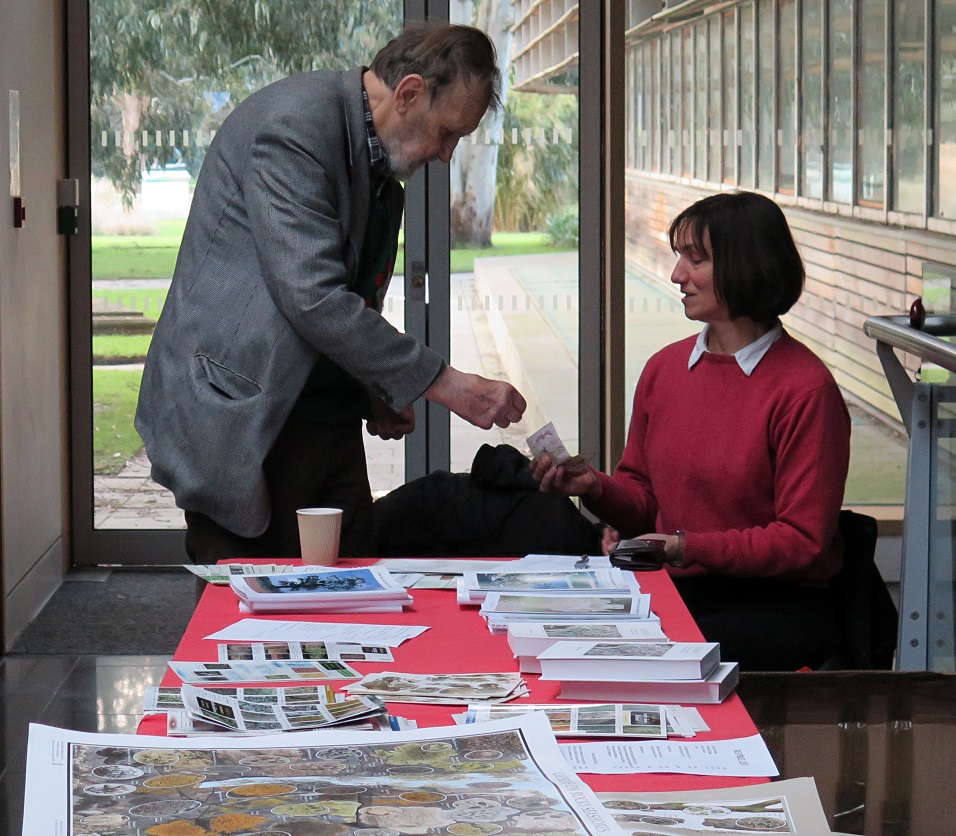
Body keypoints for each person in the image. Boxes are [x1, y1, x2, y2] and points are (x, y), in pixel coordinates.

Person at [136, 22, 526, 563]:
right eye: (448, 131)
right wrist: (444, 382)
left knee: (355, 594)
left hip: (324, 423)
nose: (445, 154)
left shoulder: (383, 167)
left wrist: (377, 389)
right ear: (409, 93)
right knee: (247, 619)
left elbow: (352, 300)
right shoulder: (293, 129)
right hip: (244, 417)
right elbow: (314, 297)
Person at [533, 191, 851, 671]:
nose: (677, 274)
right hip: (682, 587)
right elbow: (643, 500)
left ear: (746, 266)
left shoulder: (806, 390)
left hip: (776, 603)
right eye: (679, 257)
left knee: (631, 660)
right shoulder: (664, 369)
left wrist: (686, 547)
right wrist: (594, 487)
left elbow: (800, 540)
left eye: (695, 259)